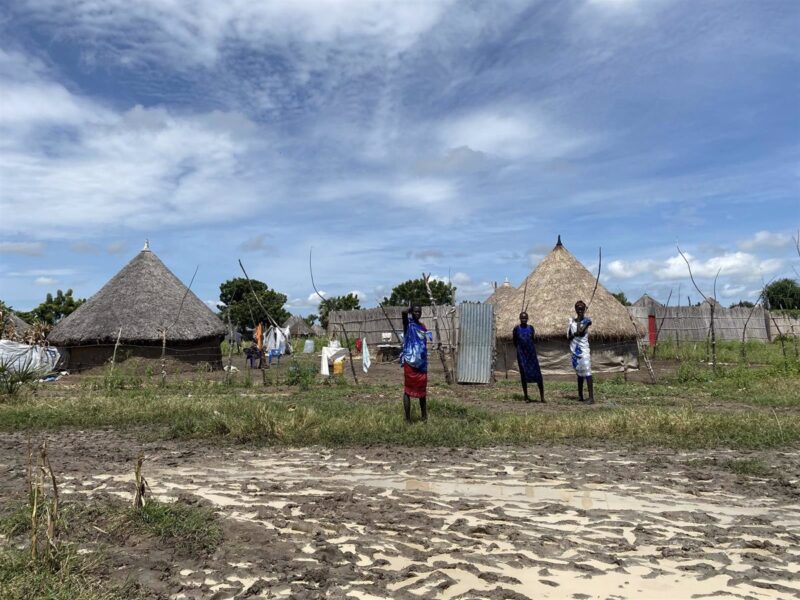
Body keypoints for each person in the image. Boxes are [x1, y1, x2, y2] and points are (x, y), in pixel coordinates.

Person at [400, 304, 429, 422]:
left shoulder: (422, 326)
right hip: (410, 364)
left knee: (422, 391)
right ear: (412, 312)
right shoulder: (408, 325)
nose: (418, 313)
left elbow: (423, 344)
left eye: (419, 312)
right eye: (415, 312)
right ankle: (407, 419)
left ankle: (424, 417)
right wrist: (409, 310)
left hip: (421, 364)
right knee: (408, 390)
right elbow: (403, 313)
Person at [512, 312, 545, 403]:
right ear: (519, 318)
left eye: (525, 318)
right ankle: (526, 396)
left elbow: (533, 339)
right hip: (522, 355)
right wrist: (520, 349)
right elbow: (514, 342)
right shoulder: (516, 329)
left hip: (531, 355)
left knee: (538, 375)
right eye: (522, 318)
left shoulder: (531, 328)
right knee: (523, 374)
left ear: (528, 318)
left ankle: (542, 397)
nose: (524, 319)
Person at [568, 300, 593, 404]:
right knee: (579, 373)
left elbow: (580, 332)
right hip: (575, 350)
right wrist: (574, 330)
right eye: (578, 308)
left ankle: (591, 398)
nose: (580, 310)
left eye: (582, 309)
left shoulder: (587, 321)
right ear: (575, 309)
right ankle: (580, 396)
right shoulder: (571, 322)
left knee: (587, 372)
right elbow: (569, 336)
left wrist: (578, 322)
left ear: (584, 309)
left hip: (584, 350)